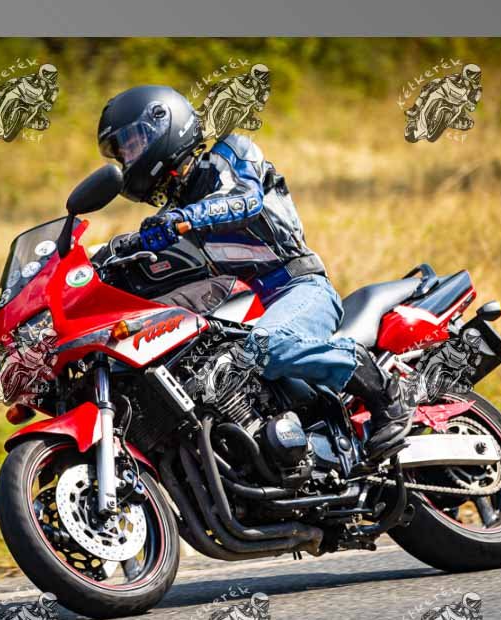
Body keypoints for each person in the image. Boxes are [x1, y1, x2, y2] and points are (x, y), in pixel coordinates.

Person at [96, 85, 408, 459]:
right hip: (243, 307)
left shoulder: (230, 154)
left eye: (132, 144)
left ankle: (382, 389)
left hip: (297, 286)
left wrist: (183, 219)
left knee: (265, 346)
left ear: (164, 125)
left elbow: (245, 200)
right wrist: (100, 261)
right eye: (122, 153)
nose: (128, 158)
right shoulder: (172, 217)